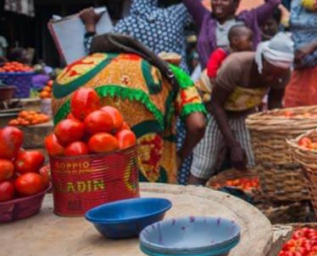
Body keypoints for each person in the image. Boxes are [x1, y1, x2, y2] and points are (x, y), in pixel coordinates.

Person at [53, 34, 206, 185]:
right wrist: (181, 156)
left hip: (83, 185)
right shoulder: (165, 70)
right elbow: (197, 124)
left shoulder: (68, 73)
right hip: (148, 184)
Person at [188, 33, 292, 185]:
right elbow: (217, 104)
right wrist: (233, 145)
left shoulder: (283, 74)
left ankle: (248, 200)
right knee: (204, 165)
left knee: (251, 163)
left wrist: (276, 133)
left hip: (245, 111)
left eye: (277, 76)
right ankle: (191, 200)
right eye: (268, 73)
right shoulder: (236, 66)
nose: (272, 79)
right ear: (260, 61)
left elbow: (274, 103)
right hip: (213, 110)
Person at [82, 0, 191, 72]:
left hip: (147, 87)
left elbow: (94, 52)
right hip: (179, 84)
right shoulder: (174, 16)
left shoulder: (125, 27)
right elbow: (194, 3)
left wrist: (90, 25)